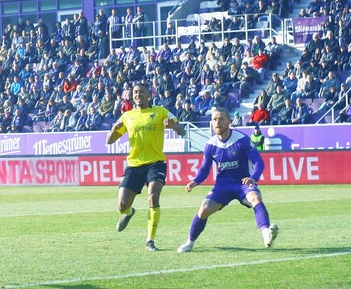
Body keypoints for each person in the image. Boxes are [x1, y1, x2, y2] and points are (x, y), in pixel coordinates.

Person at [177, 108, 278, 253]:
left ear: (229, 122)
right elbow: (205, 168)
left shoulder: (242, 140)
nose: (217, 122)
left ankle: (266, 235)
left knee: (256, 198)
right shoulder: (210, 145)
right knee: (204, 209)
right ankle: (189, 243)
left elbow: (259, 162)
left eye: (221, 119)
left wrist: (253, 178)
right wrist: (195, 181)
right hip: (223, 185)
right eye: (214, 119)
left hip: (243, 183)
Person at [106, 83, 186, 251]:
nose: (138, 94)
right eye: (135, 92)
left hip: (155, 162)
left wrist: (174, 126)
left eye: (141, 91)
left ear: (149, 94)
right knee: (121, 205)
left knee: (153, 197)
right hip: (134, 165)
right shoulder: (127, 116)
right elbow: (109, 141)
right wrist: (113, 131)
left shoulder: (160, 111)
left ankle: (150, 240)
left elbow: (182, 131)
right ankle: (129, 213)